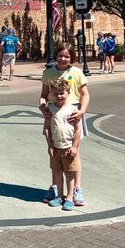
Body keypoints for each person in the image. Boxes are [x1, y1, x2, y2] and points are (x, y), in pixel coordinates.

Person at [39, 43, 89, 207]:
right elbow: (43, 95)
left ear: (71, 58)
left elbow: (85, 94)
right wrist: (42, 107)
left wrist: (82, 111)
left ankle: (76, 189)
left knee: (73, 153)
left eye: (67, 56)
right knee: (55, 153)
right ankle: (55, 189)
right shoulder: (48, 73)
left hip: (73, 112)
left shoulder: (76, 72)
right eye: (60, 55)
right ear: (56, 56)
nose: (63, 59)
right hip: (54, 112)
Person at [43, 77, 82, 211]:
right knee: (57, 172)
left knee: (69, 173)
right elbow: (47, 128)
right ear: (52, 93)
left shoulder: (73, 110)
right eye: (56, 93)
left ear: (68, 92)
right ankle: (59, 196)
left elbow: (77, 129)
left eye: (62, 93)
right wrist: (49, 145)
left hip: (68, 148)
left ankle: (70, 197)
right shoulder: (51, 109)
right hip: (55, 147)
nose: (59, 96)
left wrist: (75, 146)